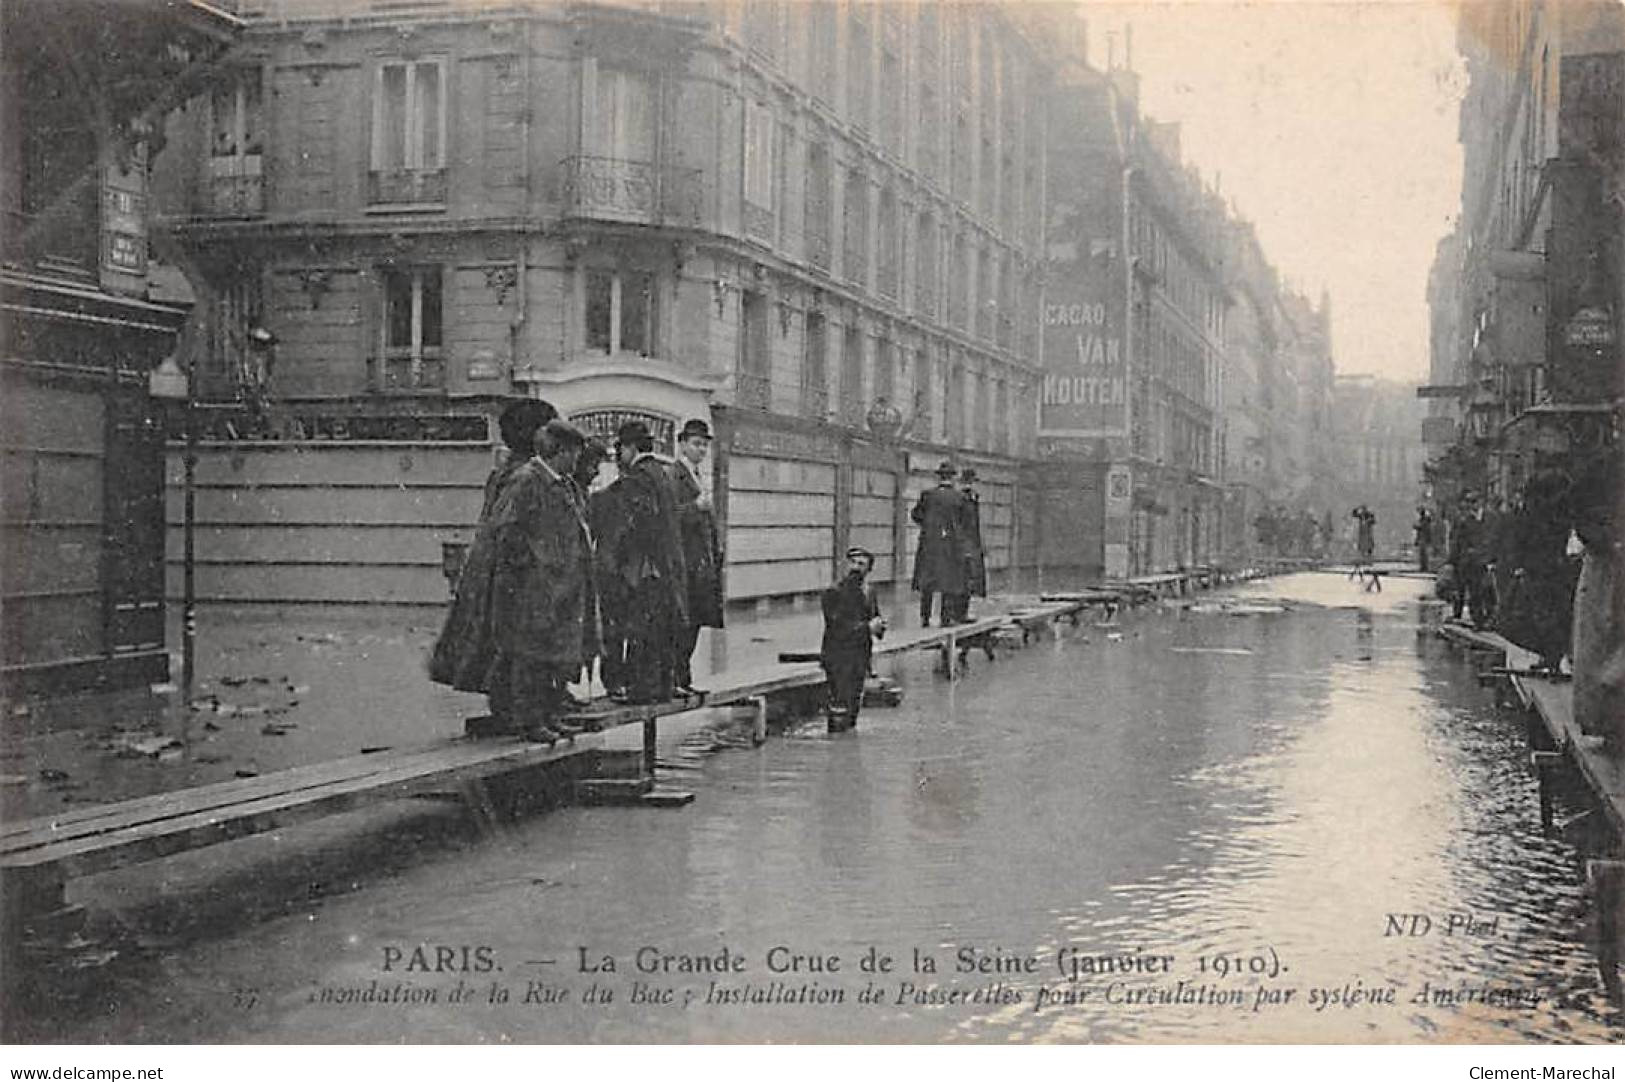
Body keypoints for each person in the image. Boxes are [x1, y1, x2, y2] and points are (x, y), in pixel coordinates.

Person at [428, 397, 555, 711]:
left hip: (489, 566)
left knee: (495, 638)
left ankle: (512, 704)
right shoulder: (524, 475)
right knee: (509, 638)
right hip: (507, 568)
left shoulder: (507, 471)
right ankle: (515, 707)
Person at [595, 421, 689, 704]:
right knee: (656, 631)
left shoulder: (637, 478)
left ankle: (635, 688)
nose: (619, 456)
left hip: (642, 569)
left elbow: (623, 523)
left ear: (630, 448)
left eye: (620, 450)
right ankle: (656, 687)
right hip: (665, 567)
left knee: (636, 629)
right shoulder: (663, 474)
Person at [670, 419, 724, 696]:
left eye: (704, 445)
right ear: (682, 444)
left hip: (701, 565)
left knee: (694, 624)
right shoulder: (674, 476)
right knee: (684, 624)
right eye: (695, 444)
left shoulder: (698, 476)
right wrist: (695, 507)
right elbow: (669, 517)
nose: (701, 449)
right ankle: (676, 678)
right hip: (685, 564)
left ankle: (683, 677)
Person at [820, 546, 886, 732]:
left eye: (861, 564)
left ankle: (848, 745)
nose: (855, 567)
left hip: (860, 656)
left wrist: (879, 626)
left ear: (869, 569)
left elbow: (874, 617)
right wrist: (867, 628)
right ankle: (838, 748)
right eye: (853, 562)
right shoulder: (834, 592)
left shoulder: (869, 591)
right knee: (839, 707)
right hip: (838, 657)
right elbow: (836, 626)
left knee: (854, 705)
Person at [911, 461, 966, 626]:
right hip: (951, 544)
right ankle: (945, 618)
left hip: (930, 544)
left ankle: (925, 618)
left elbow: (915, 514)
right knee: (948, 581)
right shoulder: (959, 497)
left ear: (939, 477)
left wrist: (928, 526)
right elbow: (964, 522)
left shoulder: (928, 495)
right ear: (953, 478)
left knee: (927, 580)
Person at [1449, 490, 1496, 627]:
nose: (1471, 506)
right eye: (1469, 502)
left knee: (1488, 592)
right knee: (1474, 592)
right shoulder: (1465, 521)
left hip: (1486, 561)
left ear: (1480, 502)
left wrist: (1493, 558)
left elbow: (1495, 538)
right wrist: (1454, 561)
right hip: (1471, 562)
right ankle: (1478, 621)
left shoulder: (1491, 518)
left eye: (1474, 502)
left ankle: (1490, 619)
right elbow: (1459, 542)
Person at [947, 468, 988, 623]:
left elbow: (975, 524)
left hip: (973, 544)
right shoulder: (960, 498)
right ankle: (956, 614)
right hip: (962, 544)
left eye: (972, 482)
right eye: (968, 481)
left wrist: (980, 544)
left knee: (970, 580)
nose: (970, 484)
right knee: (961, 580)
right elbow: (957, 524)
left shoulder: (973, 497)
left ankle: (962, 613)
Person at [1413, 506, 1435, 572]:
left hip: (1425, 539)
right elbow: (1419, 531)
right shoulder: (1423, 520)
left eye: (1419, 512)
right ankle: (1423, 567)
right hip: (1423, 539)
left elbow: (1421, 527)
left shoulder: (1425, 520)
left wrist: (1415, 526)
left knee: (1425, 554)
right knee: (1422, 554)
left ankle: (1425, 568)